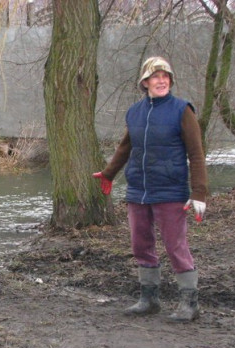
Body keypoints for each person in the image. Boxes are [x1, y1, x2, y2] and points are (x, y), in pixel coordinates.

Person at [92, 56, 208, 322]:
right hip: (138, 191)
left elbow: (197, 154)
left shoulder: (182, 110)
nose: (161, 81)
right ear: (145, 82)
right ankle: (149, 299)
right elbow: (125, 147)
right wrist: (109, 173)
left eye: (165, 76)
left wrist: (199, 192)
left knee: (175, 245)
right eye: (156, 77)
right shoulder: (135, 112)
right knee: (140, 243)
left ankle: (190, 304)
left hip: (170, 190)